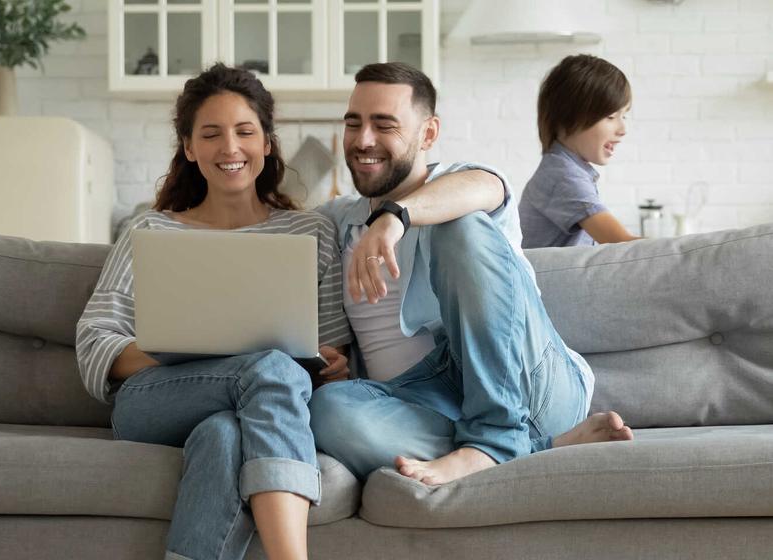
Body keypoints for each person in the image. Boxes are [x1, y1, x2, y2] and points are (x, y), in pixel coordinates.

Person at [309, 62, 633, 486]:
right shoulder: (336, 221)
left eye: (384, 124)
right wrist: (332, 359)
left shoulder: (462, 184)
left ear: (428, 134)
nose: (363, 139)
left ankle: (495, 437)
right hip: (425, 399)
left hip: (529, 381)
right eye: (354, 124)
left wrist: (396, 217)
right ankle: (536, 447)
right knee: (326, 410)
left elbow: (483, 188)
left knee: (459, 222)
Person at [76, 64, 352, 560]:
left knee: (223, 436)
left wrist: (333, 363)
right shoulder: (151, 232)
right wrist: (180, 350)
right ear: (189, 147)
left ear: (266, 142)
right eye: (211, 134)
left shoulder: (311, 233)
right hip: (155, 401)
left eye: (245, 132)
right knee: (268, 368)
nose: (230, 148)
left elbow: (332, 348)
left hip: (264, 407)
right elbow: (95, 340)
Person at [519, 54, 640, 249]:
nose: (623, 129)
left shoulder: (567, 170)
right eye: (611, 116)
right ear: (568, 118)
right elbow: (623, 245)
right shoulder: (562, 176)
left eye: (624, 116)